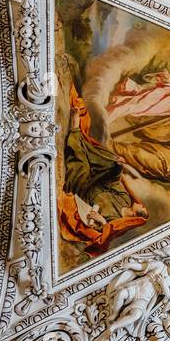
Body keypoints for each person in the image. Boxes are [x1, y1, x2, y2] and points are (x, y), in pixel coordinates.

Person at [57, 84, 149, 254]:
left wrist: (101, 221)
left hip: (82, 188)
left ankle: (75, 129)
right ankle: (82, 139)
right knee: (111, 163)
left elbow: (100, 230)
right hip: (97, 178)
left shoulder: (115, 219)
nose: (142, 205)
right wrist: (118, 168)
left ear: (136, 217)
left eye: (143, 210)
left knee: (81, 165)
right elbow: (113, 182)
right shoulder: (125, 201)